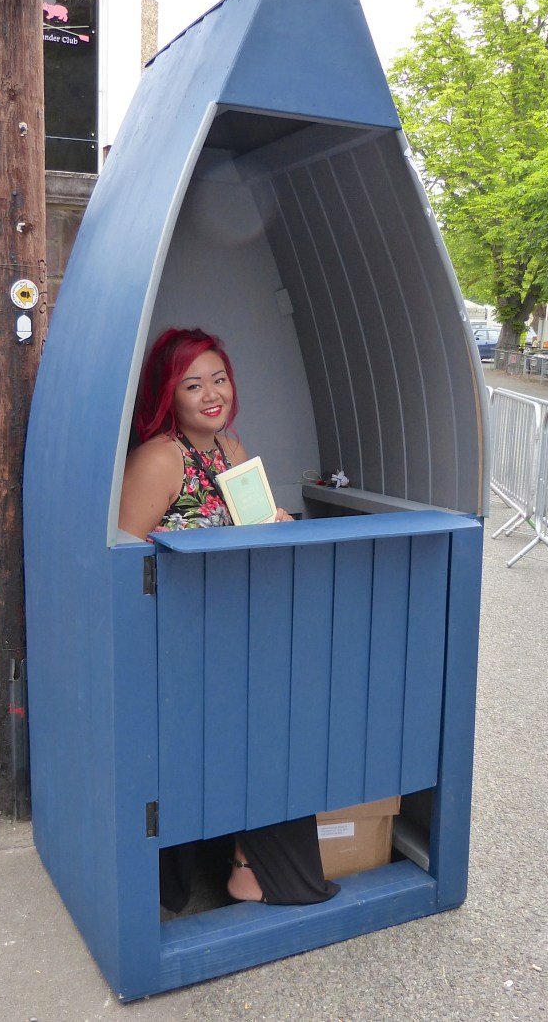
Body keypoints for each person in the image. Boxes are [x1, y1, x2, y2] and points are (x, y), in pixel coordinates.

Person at [119, 327, 339, 912]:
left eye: (219, 379)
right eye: (193, 384)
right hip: (180, 644)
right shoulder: (160, 457)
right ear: (169, 394)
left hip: (237, 632)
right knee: (264, 725)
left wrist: (280, 523)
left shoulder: (229, 450)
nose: (211, 395)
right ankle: (243, 865)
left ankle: (249, 861)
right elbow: (122, 563)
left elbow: (255, 523)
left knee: (285, 718)